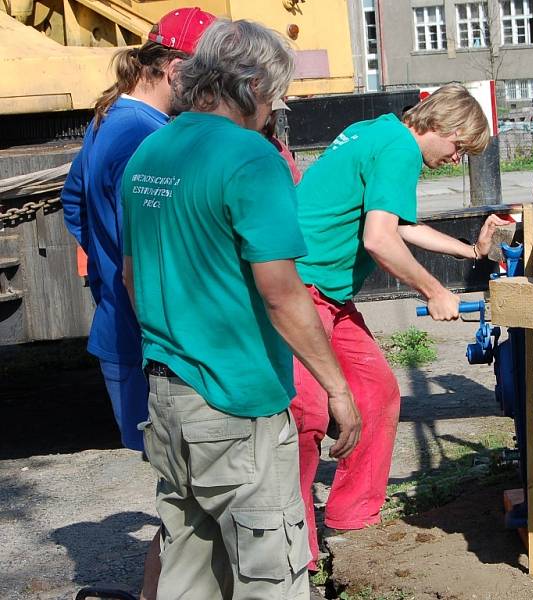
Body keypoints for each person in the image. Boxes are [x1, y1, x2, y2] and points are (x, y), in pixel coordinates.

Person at [121, 19, 361, 600]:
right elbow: (281, 292)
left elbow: (131, 276)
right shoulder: (252, 159)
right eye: (274, 97)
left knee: (188, 571)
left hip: (168, 398)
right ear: (251, 85)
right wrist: (337, 388)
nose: (272, 112)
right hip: (237, 402)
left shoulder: (151, 150)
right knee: (269, 576)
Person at [291, 83, 506, 568]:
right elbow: (379, 239)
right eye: (458, 149)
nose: (455, 160)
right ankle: (292, 545)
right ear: (445, 128)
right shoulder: (399, 148)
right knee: (304, 418)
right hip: (298, 289)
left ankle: (353, 517)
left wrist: (470, 251)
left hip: (329, 293)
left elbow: (399, 223)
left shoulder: (380, 132)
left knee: (377, 392)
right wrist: (433, 290)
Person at [60, 7, 216, 599]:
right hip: (153, 344)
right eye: (210, 79)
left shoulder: (110, 121)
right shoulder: (145, 136)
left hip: (125, 333)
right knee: (192, 497)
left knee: (185, 496)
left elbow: (74, 201)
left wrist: (104, 279)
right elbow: (145, 257)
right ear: (177, 69)